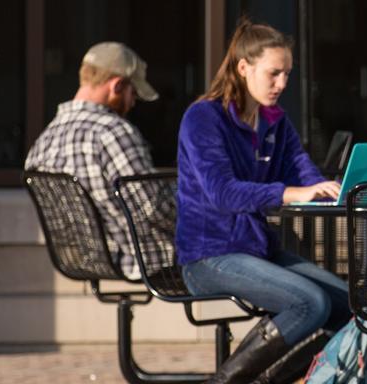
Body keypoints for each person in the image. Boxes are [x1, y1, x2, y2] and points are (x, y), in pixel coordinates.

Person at [175, 20, 348, 384]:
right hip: (208, 256)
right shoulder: (203, 118)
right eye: (273, 74)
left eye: (287, 74)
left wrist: (335, 189)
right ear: (243, 67)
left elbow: (303, 174)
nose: (282, 84)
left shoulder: (275, 121)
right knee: (310, 303)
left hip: (256, 251)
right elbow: (222, 193)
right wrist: (288, 193)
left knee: (350, 305)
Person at [25, 41, 160, 279]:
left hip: (81, 262)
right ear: (117, 85)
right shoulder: (113, 132)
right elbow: (153, 208)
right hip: (142, 260)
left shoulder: (42, 143)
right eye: (134, 93)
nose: (133, 103)